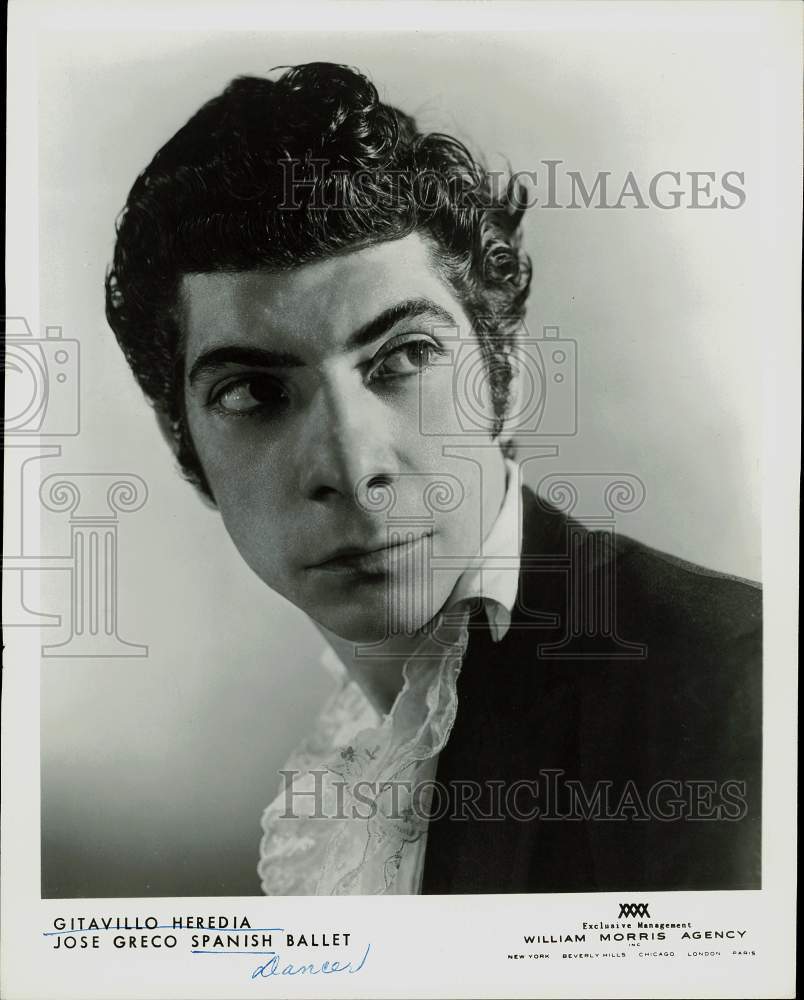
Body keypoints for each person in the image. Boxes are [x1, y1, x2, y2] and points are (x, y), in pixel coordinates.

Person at [105, 61, 761, 895]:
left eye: (406, 357)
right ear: (184, 446)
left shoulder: (729, 683)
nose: (351, 465)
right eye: (254, 393)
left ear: (507, 378)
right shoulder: (369, 744)